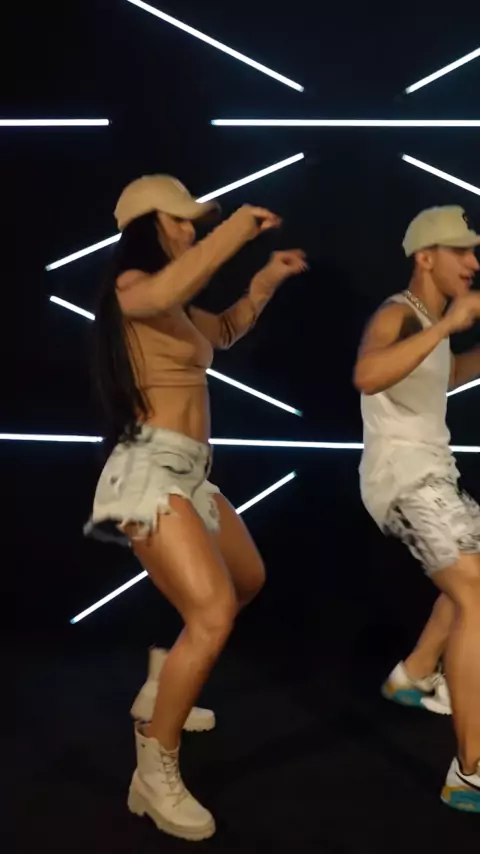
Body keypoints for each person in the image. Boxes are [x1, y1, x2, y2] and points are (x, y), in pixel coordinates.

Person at [85, 174, 307, 841]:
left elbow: (226, 329)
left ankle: (162, 682)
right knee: (211, 614)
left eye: (194, 223)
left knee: (246, 580)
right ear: (148, 226)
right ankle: (153, 770)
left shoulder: (175, 308)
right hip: (147, 469)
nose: (189, 231)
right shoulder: (133, 289)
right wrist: (235, 230)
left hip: (191, 472)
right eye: (180, 221)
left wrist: (265, 280)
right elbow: (168, 289)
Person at [354, 205, 480, 812]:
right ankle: (469, 772)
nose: (474, 262)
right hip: (403, 479)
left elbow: (441, 375)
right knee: (476, 596)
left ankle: (416, 672)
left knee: (475, 581)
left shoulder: (429, 322)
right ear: (426, 258)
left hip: (432, 475)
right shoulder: (397, 313)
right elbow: (368, 373)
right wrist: (450, 323)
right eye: (462, 252)